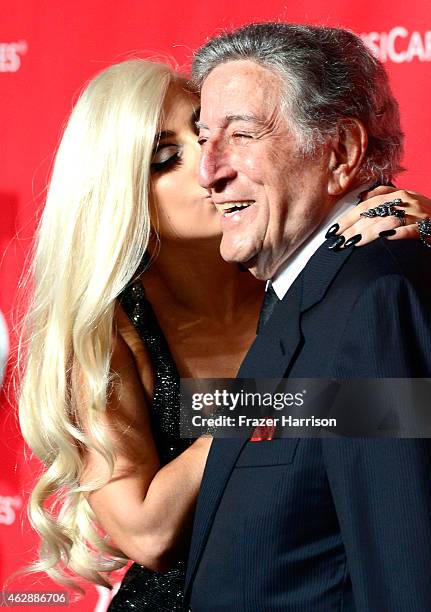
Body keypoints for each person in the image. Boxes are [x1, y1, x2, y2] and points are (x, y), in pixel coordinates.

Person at [16, 56, 430, 611]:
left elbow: (395, 418)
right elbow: (147, 533)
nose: (210, 165)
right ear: (120, 195)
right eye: (167, 158)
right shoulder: (105, 331)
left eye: (208, 132)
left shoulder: (304, 267)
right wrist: (269, 402)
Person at [185, 23, 431, 611]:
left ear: (341, 151)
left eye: (241, 135)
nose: (207, 171)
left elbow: (403, 573)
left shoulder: (374, 303)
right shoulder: (298, 294)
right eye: (201, 139)